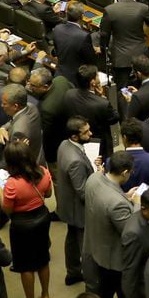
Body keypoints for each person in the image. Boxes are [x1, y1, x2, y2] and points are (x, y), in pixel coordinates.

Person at [84, 151, 137, 298]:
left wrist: (125, 198)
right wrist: (135, 206)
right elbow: (131, 232)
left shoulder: (94, 178)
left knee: (104, 297)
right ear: (124, 173)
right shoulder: (116, 203)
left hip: (97, 249)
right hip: (117, 260)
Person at [0, 141, 53, 298]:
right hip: (42, 218)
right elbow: (49, 194)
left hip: (22, 225)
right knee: (43, 257)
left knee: (25, 265)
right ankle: (45, 295)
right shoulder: (44, 172)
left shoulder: (12, 184)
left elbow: (7, 210)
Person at [55, 117, 95, 287]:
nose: (90, 134)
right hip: (78, 209)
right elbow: (83, 192)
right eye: (86, 132)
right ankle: (92, 282)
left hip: (67, 204)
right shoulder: (76, 161)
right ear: (75, 137)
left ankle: (72, 272)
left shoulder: (64, 144)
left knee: (71, 240)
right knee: (85, 247)